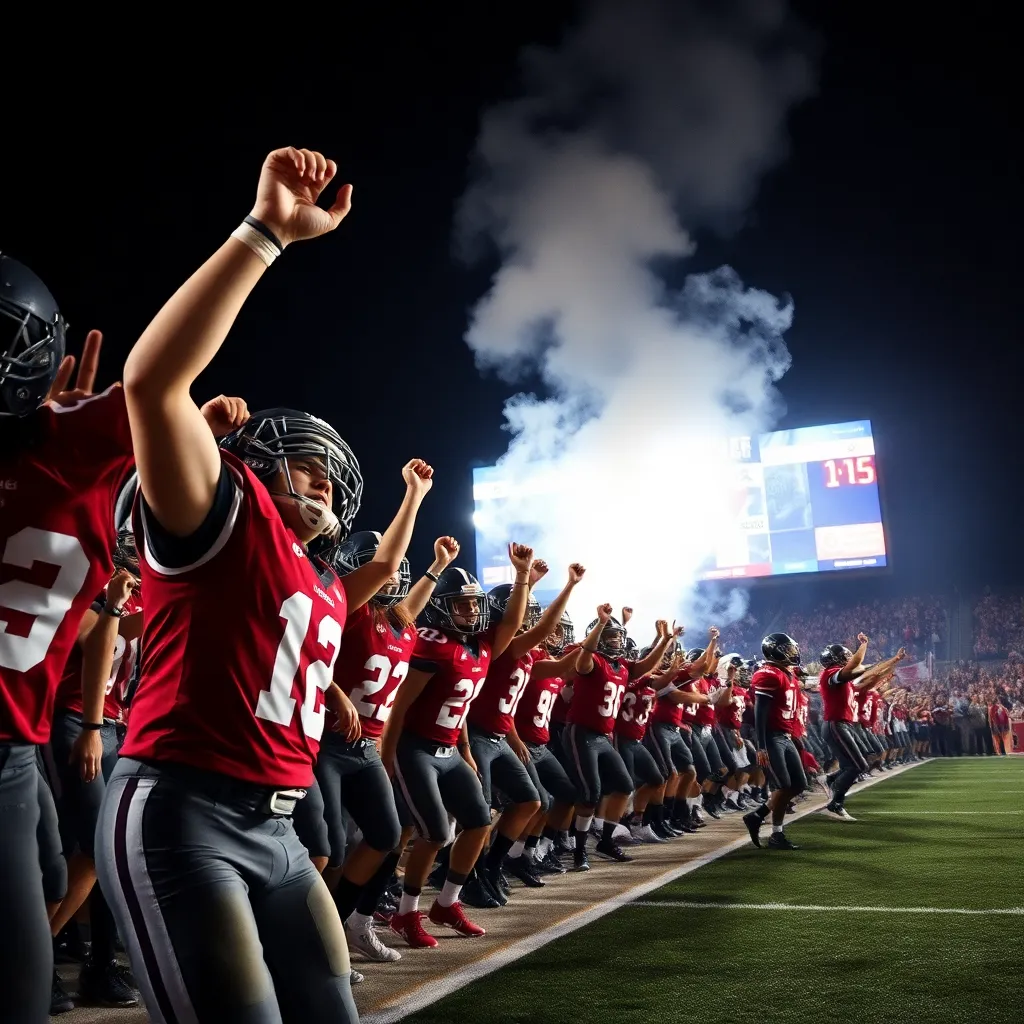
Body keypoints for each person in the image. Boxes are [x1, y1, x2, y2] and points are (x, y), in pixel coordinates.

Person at [95, 146, 411, 1023]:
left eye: (326, 482)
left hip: (280, 826)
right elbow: (152, 382)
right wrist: (266, 232)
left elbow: (368, 575)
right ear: (259, 463)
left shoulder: (320, 580)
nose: (314, 489)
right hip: (182, 812)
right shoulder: (223, 512)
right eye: (300, 472)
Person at [2, 252, 136, 1022]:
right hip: (30, 741)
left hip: (19, 748)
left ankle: (78, 960)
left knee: (56, 876)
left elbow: (67, 616)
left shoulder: (63, 472)